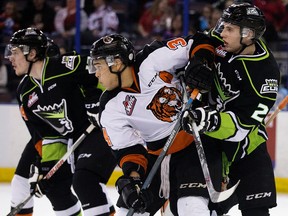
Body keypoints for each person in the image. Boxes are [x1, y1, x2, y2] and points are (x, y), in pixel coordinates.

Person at [88, 29, 222, 215]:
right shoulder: (110, 106)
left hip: (196, 145)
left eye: (99, 66)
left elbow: (199, 41)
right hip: (157, 156)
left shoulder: (152, 59)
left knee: (191, 208)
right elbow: (128, 150)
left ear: (116, 64)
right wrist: (132, 182)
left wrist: (200, 63)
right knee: (129, 211)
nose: (96, 74)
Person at [5, 27, 117, 215]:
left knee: (84, 181)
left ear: (31, 53)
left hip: (99, 129)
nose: (10, 58)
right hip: (71, 139)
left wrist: (96, 100)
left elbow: (100, 69)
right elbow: (47, 134)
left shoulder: (65, 66)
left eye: (15, 52)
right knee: (54, 187)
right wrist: (46, 166)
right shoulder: (24, 92)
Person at [181, 3, 279, 216]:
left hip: (246, 147)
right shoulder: (223, 39)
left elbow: (242, 127)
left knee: (257, 211)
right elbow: (201, 39)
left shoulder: (265, 75)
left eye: (229, 29)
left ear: (248, 34)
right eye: (223, 26)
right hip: (210, 143)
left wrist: (208, 119)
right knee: (205, 208)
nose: (221, 32)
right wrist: (200, 59)